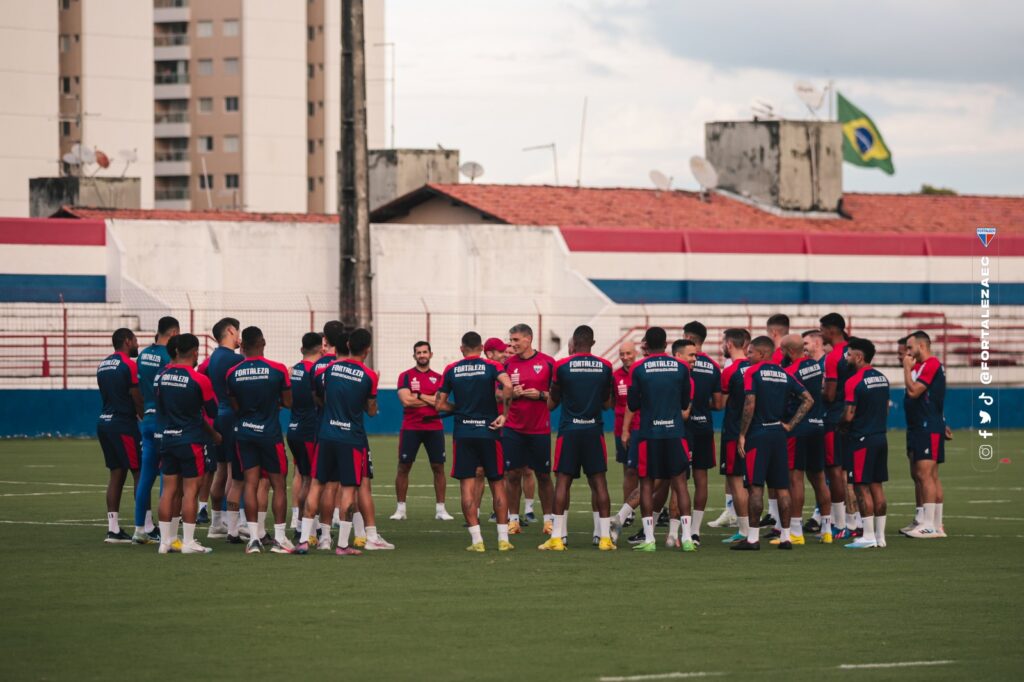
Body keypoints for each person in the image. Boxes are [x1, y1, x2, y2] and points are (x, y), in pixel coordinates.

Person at [297, 328, 379, 556]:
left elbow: (318, 396)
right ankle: (342, 545)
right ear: (367, 349)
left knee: (316, 485)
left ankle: (304, 540)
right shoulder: (369, 376)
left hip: (326, 434)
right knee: (348, 491)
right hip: (350, 439)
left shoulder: (329, 368)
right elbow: (371, 410)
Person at [435, 331, 514, 552]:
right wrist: (504, 415)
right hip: (489, 431)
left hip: (463, 433)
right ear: (481, 349)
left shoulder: (451, 369)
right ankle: (503, 539)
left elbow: (439, 404)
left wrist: (458, 409)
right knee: (497, 483)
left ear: (461, 349)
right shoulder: (491, 366)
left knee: (467, 487)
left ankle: (477, 541)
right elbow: (507, 386)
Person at [733, 336, 813, 551]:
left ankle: (752, 538)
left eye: (750, 352)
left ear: (762, 354)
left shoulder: (752, 372)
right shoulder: (784, 374)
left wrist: (742, 434)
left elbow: (750, 404)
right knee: (782, 488)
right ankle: (786, 537)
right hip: (779, 434)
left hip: (758, 434)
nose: (748, 356)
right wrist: (790, 425)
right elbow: (808, 399)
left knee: (756, 486)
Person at [539, 325, 615, 551]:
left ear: (572, 344)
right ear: (592, 343)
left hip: (569, 431)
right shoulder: (605, 366)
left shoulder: (561, 365)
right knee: (599, 483)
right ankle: (604, 538)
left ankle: (557, 538)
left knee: (563, 482)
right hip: (593, 430)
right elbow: (607, 403)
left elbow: (552, 402)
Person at [623, 327, 694, 552]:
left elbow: (633, 404)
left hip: (649, 435)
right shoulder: (681, 367)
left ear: (645, 345)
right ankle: (688, 538)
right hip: (675, 433)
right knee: (680, 484)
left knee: (646, 484)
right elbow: (685, 403)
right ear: (666, 344)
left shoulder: (638, 368)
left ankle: (650, 539)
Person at [226, 326, 293, 554]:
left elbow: (235, 406)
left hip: (244, 432)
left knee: (251, 484)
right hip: (269, 434)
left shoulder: (233, 373)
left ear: (242, 346)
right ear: (263, 342)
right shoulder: (277, 370)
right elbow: (288, 402)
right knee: (278, 485)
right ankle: (281, 538)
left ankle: (253, 539)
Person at [156, 333, 221, 554]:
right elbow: (212, 411)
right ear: (194, 352)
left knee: (169, 491)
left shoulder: (163, 376)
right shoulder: (199, 380)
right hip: (191, 440)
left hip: (169, 437)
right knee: (190, 491)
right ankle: (189, 542)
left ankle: (166, 542)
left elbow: (161, 408)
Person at [502, 324, 555, 536]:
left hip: (539, 429)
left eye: (516, 340)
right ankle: (513, 520)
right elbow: (499, 395)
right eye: (511, 340)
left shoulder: (548, 363)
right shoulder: (507, 365)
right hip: (513, 428)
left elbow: (557, 396)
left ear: (528, 339)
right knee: (512, 475)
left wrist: (541, 395)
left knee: (543, 475)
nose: (512, 344)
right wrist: (511, 393)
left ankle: (549, 521)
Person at [391, 341, 454, 521]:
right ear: (414, 356)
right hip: (411, 428)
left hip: (434, 428)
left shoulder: (440, 377)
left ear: (430, 354)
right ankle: (400, 509)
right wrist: (430, 400)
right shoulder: (405, 376)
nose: (422, 355)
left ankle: (441, 509)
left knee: (438, 467)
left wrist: (417, 395)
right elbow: (406, 401)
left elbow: (441, 404)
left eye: (425, 352)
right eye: (418, 353)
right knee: (404, 467)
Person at [778, 334, 831, 545]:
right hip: (818, 426)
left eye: (782, 350)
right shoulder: (815, 366)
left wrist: (789, 424)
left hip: (798, 429)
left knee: (795, 479)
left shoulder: (790, 372)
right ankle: (827, 529)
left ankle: (796, 531)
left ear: (789, 351)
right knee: (819, 478)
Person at [132, 316, 179, 544]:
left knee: (145, 476)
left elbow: (139, 390)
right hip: (163, 420)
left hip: (147, 419)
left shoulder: (143, 355)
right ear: (172, 334)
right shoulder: (168, 357)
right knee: (167, 476)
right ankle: (166, 532)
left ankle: (139, 529)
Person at [841, 337, 891, 549]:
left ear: (859, 357)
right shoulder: (882, 378)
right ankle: (880, 537)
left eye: (849, 354)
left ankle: (868, 535)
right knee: (877, 487)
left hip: (861, 439)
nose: (846, 357)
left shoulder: (853, 381)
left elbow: (849, 416)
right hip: (880, 437)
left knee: (861, 488)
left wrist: (838, 424)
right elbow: (886, 408)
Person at [96, 328, 143, 544]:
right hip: (123, 424)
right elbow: (135, 396)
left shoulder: (103, 364)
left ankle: (113, 529)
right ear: (126, 341)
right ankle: (143, 526)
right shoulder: (129, 365)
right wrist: (144, 417)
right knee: (139, 472)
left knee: (116, 474)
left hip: (104, 422)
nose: (137, 344)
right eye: (135, 340)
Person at [198, 317, 244, 541]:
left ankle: (217, 522)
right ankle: (237, 522)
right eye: (237, 331)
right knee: (237, 474)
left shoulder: (214, 357)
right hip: (234, 417)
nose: (239, 336)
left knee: (221, 471)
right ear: (230, 330)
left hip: (219, 417)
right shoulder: (235, 360)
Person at [903, 330, 948, 539]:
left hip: (926, 425)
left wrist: (905, 369)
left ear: (922, 346)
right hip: (923, 424)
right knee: (924, 475)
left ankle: (929, 525)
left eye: (910, 348)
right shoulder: (924, 366)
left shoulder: (930, 364)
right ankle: (935, 524)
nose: (907, 353)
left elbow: (914, 392)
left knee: (925, 474)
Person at [682, 321, 722, 545]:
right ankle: (695, 531)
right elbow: (718, 404)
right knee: (701, 480)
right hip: (704, 426)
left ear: (688, 337)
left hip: (683, 428)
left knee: (677, 480)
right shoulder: (713, 366)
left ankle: (676, 530)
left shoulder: (681, 363)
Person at [820, 312, 855, 540]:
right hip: (855, 417)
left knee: (834, 471)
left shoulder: (833, 357)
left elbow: (830, 395)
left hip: (834, 417)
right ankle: (856, 521)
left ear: (831, 331)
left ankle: (841, 523)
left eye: (822, 329)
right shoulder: (856, 350)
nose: (820, 334)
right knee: (851, 472)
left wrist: (818, 391)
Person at [716, 329, 751, 543]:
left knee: (736, 481)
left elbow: (719, 404)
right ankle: (753, 529)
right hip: (755, 430)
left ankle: (745, 530)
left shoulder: (730, 371)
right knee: (752, 482)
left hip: (734, 431)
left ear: (729, 345)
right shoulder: (756, 367)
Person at [286, 332, 323, 536]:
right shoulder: (314, 372)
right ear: (321, 349)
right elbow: (318, 398)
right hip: (309, 431)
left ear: (302, 349)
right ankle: (306, 528)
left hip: (293, 429)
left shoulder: (294, 370)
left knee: (303, 477)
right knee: (311, 481)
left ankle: (302, 525)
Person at [612, 341, 639, 528]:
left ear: (635, 353)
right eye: (622, 354)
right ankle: (628, 511)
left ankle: (655, 509)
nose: (625, 357)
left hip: (641, 428)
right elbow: (613, 401)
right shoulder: (615, 376)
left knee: (640, 470)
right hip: (621, 430)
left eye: (628, 353)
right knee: (627, 471)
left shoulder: (641, 372)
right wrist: (623, 431)